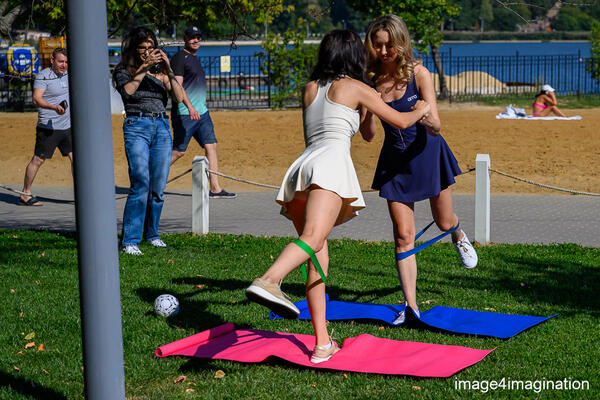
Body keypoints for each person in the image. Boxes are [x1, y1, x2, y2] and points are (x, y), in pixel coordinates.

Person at [245, 29, 431, 364]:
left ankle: (322, 344)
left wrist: (367, 107)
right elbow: (402, 122)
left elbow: (353, 125)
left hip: (302, 168)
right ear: (353, 55)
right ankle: (270, 280)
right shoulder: (355, 87)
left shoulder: (310, 88)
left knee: (317, 259)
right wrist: (422, 108)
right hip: (329, 167)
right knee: (313, 239)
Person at [361, 15, 478, 325]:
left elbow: (437, 126)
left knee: (443, 221)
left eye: (389, 45)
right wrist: (368, 110)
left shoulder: (419, 74)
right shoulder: (370, 82)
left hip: (428, 154)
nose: (383, 51)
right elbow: (368, 136)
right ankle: (411, 307)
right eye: (377, 45)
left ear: (401, 43)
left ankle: (458, 234)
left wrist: (425, 115)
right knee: (403, 236)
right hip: (395, 162)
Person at [113, 27, 184, 255]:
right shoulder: (123, 70)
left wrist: (169, 70)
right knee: (140, 182)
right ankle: (130, 240)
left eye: (150, 47)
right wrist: (144, 68)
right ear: (133, 49)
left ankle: (152, 234)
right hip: (137, 125)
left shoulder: (160, 72)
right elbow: (128, 92)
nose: (147, 52)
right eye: (142, 48)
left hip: (161, 126)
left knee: (158, 187)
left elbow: (179, 97)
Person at [170, 26, 236, 199]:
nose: (196, 40)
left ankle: (215, 188)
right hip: (185, 113)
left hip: (202, 113)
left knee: (211, 146)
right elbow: (177, 86)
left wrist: (199, 107)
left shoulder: (194, 58)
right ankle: (150, 179)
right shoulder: (179, 58)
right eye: (192, 37)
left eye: (198, 37)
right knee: (179, 151)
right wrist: (190, 107)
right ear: (185, 38)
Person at [19, 47, 71, 206]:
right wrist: (54, 108)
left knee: (76, 159)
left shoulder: (68, 74)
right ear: (52, 60)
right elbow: (36, 99)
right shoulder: (43, 76)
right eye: (61, 61)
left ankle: (84, 193)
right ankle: (25, 193)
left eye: (66, 62)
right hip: (48, 128)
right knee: (38, 159)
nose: (64, 65)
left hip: (67, 127)